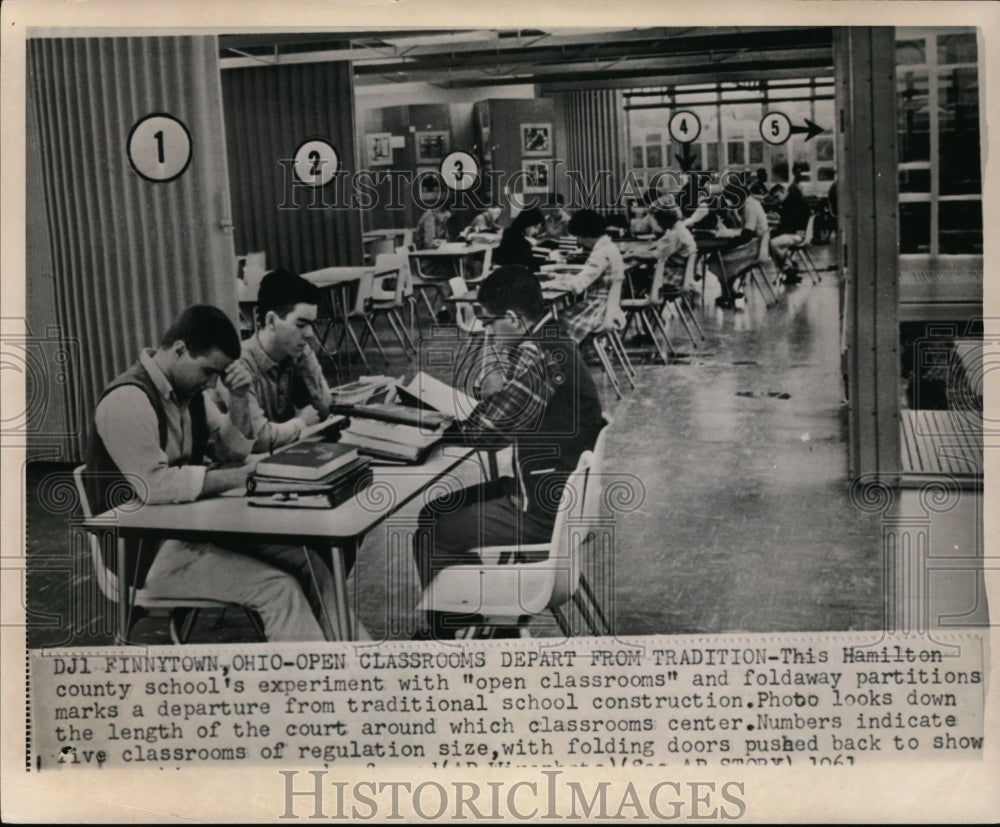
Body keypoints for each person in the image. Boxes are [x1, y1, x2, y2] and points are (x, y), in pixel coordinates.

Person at [84, 305, 340, 641]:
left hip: (189, 530)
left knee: (313, 564)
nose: (211, 383)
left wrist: (238, 397)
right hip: (143, 554)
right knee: (278, 588)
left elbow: (230, 452)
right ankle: (309, 688)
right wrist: (242, 478)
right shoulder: (128, 400)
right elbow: (153, 486)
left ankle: (360, 667)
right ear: (179, 350)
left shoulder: (188, 393)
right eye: (208, 372)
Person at [412, 267, 605, 639]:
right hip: (558, 496)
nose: (486, 331)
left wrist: (440, 425)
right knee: (435, 511)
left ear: (514, 319)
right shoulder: (553, 337)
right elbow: (503, 408)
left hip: (541, 511)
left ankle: (450, 636)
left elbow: (487, 434)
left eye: (489, 322)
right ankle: (473, 616)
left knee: (434, 529)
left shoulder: (537, 355)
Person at [217, 269, 332, 454]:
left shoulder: (293, 355)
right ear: (271, 321)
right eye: (301, 325)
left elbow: (324, 409)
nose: (310, 334)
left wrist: (306, 357)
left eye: (312, 325)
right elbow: (258, 439)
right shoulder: (239, 363)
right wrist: (301, 423)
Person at [558, 209, 627, 344]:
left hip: (597, 310)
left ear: (587, 234)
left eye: (579, 237)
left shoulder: (600, 254)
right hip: (610, 307)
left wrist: (548, 284)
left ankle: (566, 359)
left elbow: (577, 285)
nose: (579, 242)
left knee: (554, 322)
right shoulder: (610, 247)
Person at [769, 181, 812, 284]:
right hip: (798, 232)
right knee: (773, 243)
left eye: (777, 197)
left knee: (771, 244)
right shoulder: (792, 200)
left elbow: (787, 225)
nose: (776, 200)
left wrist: (773, 231)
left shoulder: (791, 203)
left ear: (783, 191)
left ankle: (789, 269)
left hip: (799, 234)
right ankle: (789, 267)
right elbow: (788, 223)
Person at [493, 206, 546, 273]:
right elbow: (527, 266)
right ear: (527, 223)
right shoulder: (522, 243)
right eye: (535, 227)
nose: (536, 232)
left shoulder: (509, 234)